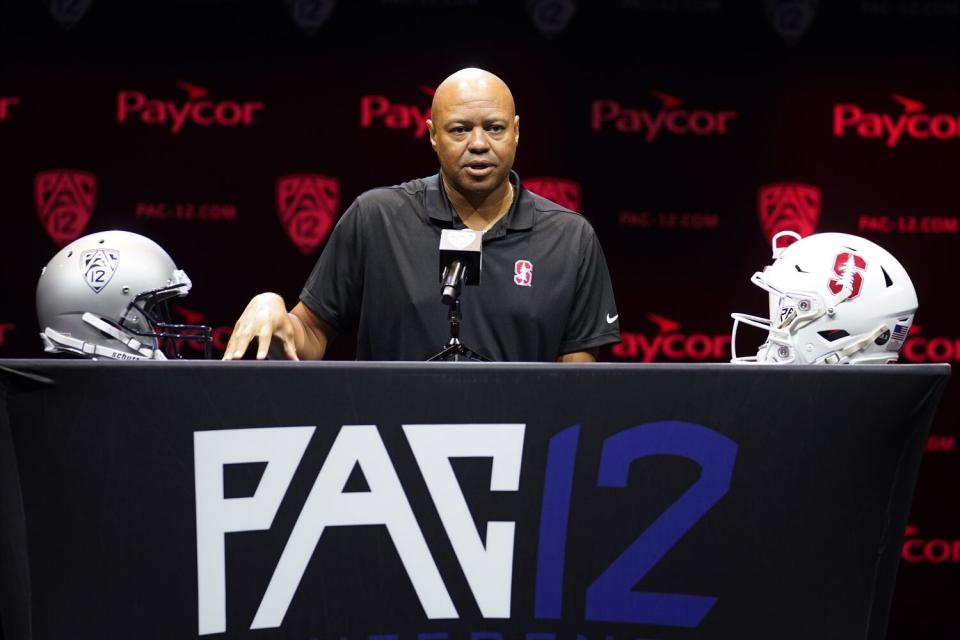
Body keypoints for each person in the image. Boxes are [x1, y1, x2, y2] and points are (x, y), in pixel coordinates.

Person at [223, 67, 620, 362]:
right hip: (392, 452)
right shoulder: (377, 218)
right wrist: (269, 304)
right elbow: (309, 331)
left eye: (495, 128)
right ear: (432, 135)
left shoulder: (570, 238)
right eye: (460, 129)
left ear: (516, 132)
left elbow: (577, 382)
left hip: (518, 457)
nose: (479, 144)